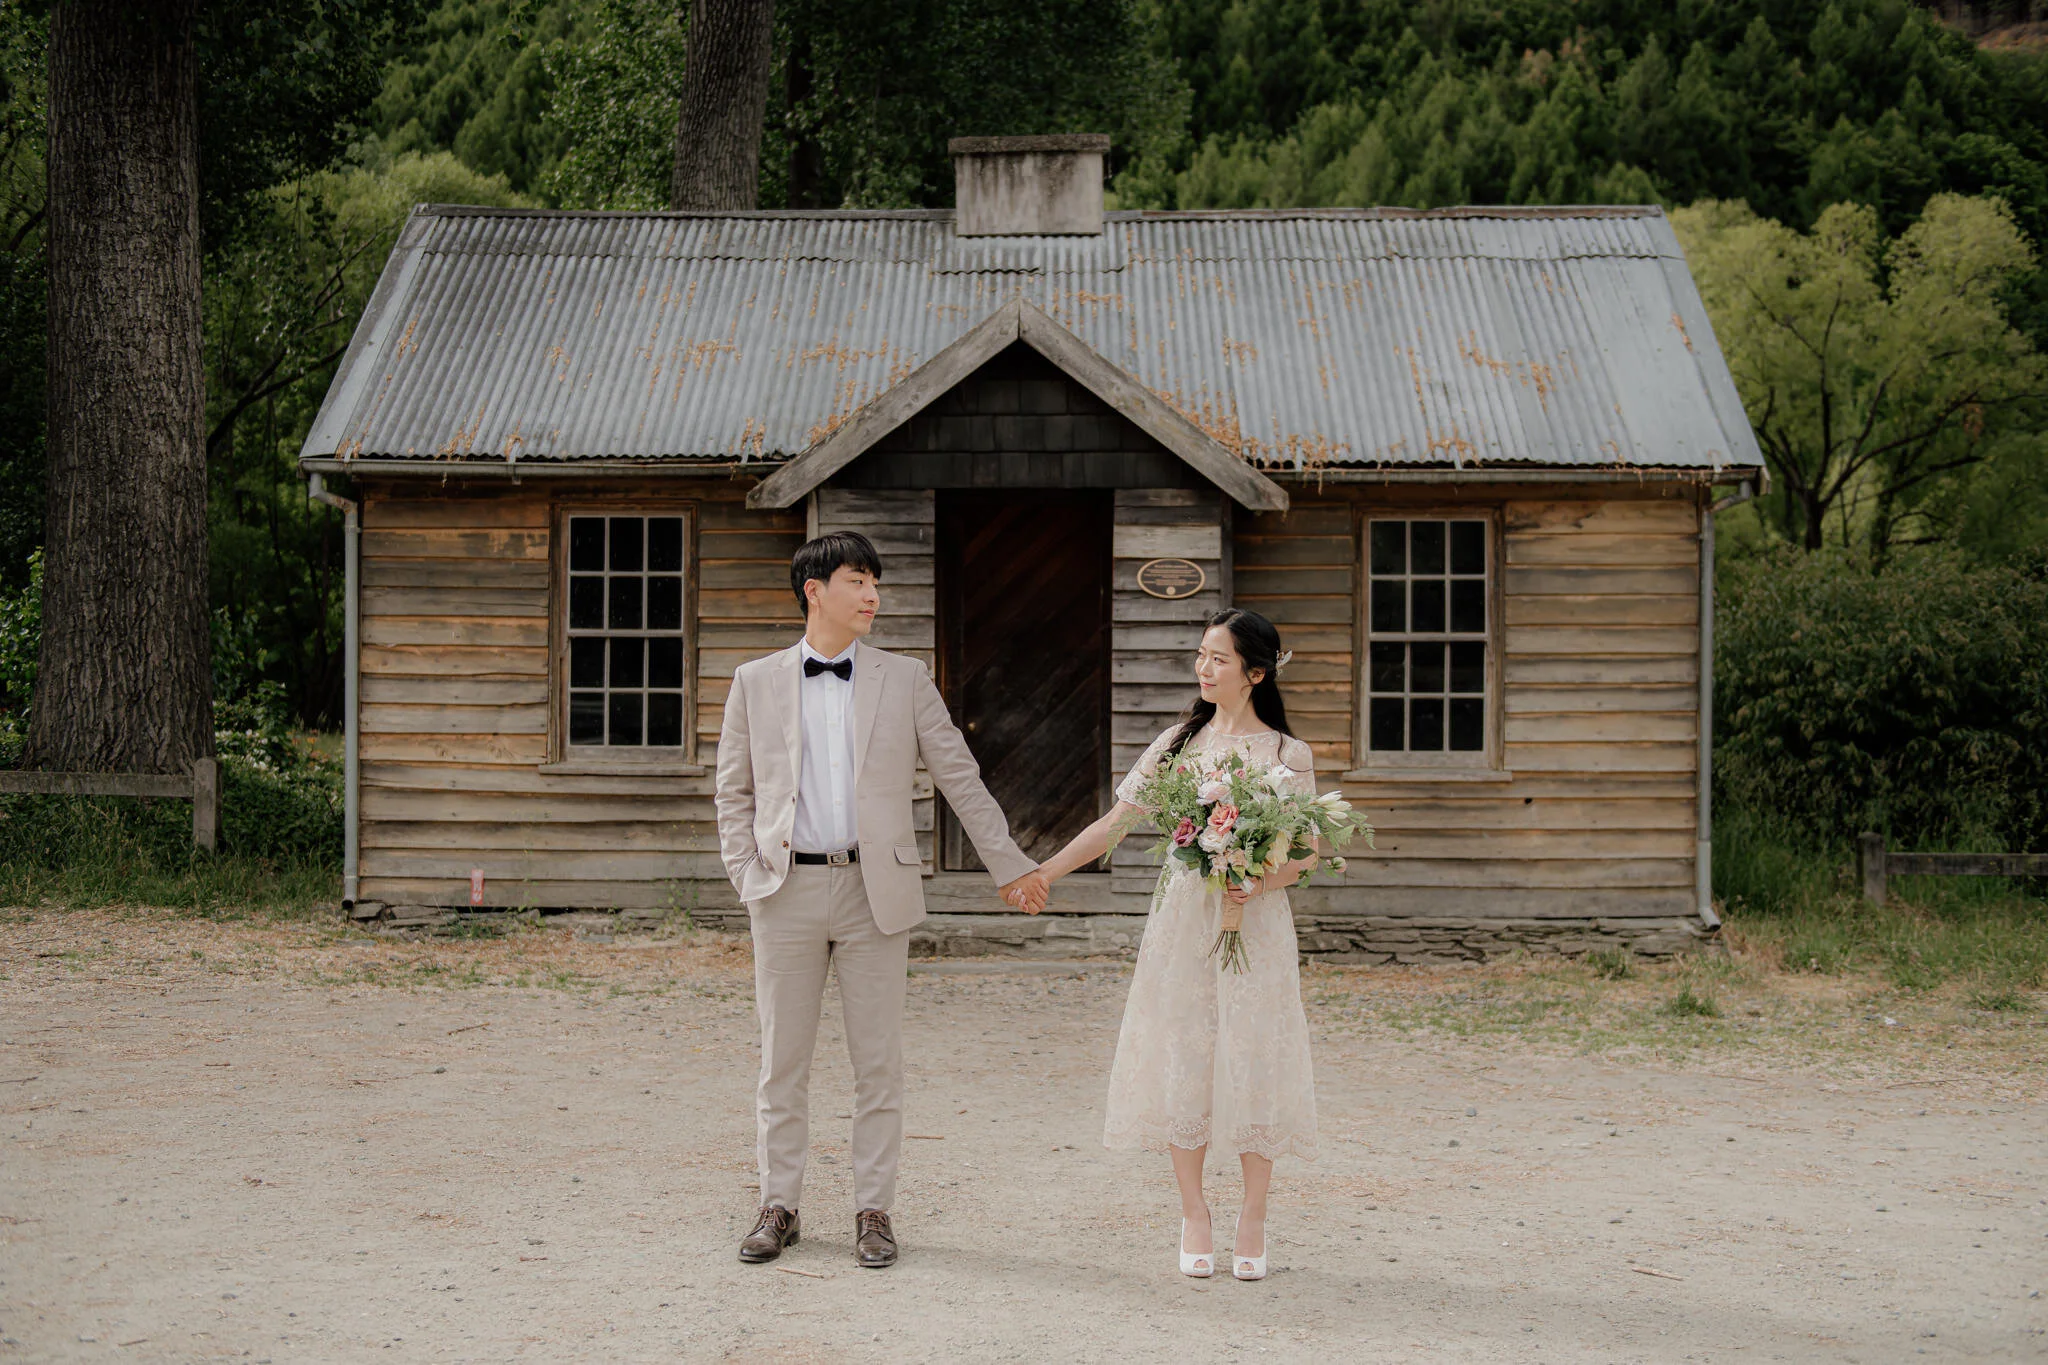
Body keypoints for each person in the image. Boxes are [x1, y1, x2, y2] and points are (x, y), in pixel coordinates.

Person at [713, 530, 1048, 1270]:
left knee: (878, 1063)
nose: (872, 595)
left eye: (875, 582)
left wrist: (1010, 867)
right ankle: (780, 1203)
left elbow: (961, 775)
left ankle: (874, 1209)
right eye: (858, 580)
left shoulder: (904, 679)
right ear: (815, 590)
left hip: (877, 891)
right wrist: (747, 873)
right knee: (781, 1060)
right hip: (785, 887)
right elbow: (732, 790)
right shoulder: (755, 680)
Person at [1031, 608, 1318, 1282]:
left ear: (1255, 671)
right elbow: (1117, 822)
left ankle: (1253, 1214)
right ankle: (1194, 1212)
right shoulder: (1176, 743)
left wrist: (1257, 876)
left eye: (1218, 658)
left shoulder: (1285, 755)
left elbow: (1304, 855)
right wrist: (1045, 870)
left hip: (1258, 921)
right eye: (1200, 654)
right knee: (1185, 1052)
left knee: (1255, 1055)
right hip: (1185, 919)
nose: (1203, 668)